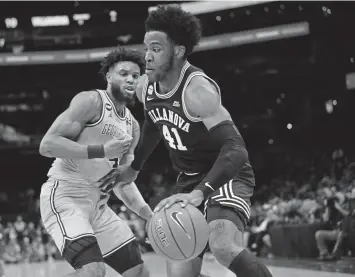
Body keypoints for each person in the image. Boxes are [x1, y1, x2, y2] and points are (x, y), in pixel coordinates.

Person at [112, 5, 274, 277]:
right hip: (187, 179)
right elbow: (154, 122)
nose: (146, 57)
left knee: (222, 246)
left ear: (178, 51)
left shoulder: (197, 91)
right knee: (179, 271)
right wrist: (134, 167)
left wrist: (201, 192)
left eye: (156, 49)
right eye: (146, 48)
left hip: (223, 176)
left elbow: (236, 149)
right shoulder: (145, 87)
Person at [38, 48, 152, 277]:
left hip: (98, 207)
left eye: (136, 75)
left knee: (138, 272)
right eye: (124, 73)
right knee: (93, 272)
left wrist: (149, 215)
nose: (131, 78)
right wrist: (100, 150)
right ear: (109, 76)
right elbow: (47, 145)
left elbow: (122, 182)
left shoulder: (132, 126)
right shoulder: (91, 101)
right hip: (66, 197)